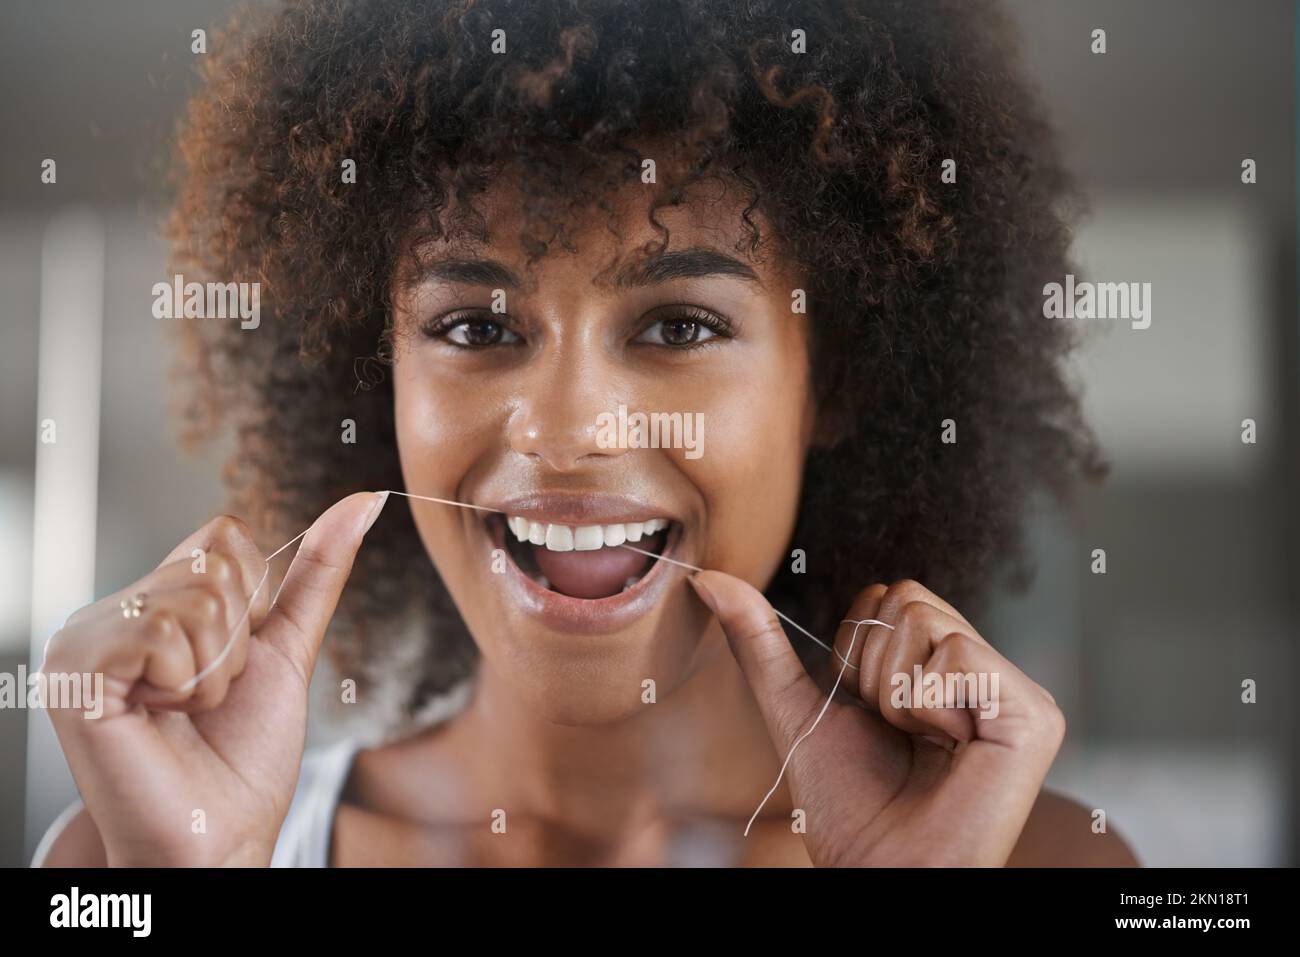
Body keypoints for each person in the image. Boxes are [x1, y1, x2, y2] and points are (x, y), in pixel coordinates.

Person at [35, 0, 1136, 867]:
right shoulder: (131, 859)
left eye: (677, 324)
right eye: (474, 324)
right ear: (378, 375)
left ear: (832, 379)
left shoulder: (1028, 862)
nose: (565, 432)